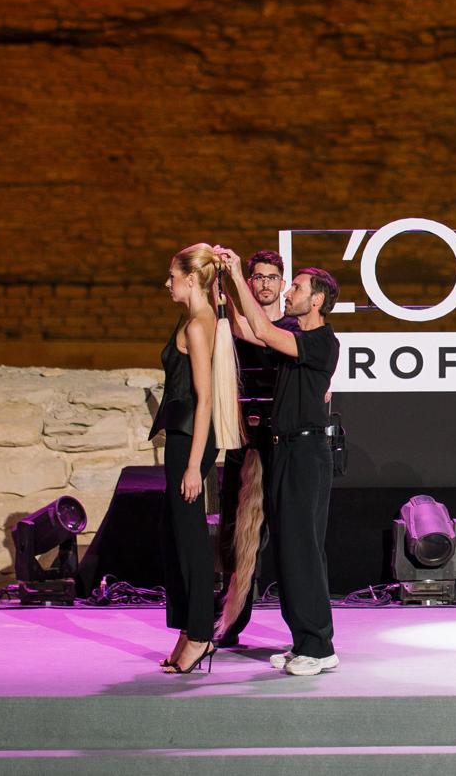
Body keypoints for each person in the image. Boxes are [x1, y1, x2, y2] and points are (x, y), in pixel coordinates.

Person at [216, 246, 342, 676]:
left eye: (296, 288)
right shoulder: (295, 340)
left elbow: (262, 330)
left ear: (317, 300)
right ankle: (304, 642)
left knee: (302, 550)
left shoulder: (321, 342)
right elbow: (248, 329)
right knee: (289, 551)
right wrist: (225, 284)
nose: (287, 293)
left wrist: (238, 273)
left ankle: (318, 647)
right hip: (285, 449)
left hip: (306, 453)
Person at [150, 243, 242, 674]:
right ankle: (189, 629)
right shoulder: (196, 318)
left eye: (172, 276)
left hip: (190, 439)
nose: (166, 283)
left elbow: (205, 399)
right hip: (185, 436)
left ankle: (201, 634)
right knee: (174, 535)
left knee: (188, 539)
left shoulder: (198, 326)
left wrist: (192, 466)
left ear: (191, 278)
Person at [215, 250, 299, 647]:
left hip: (280, 443)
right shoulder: (237, 326)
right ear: (251, 282)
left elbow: (257, 332)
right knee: (235, 534)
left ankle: (302, 631)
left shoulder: (291, 328)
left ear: (282, 283)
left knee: (281, 536)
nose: (265, 283)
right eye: (258, 277)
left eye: (272, 277)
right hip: (243, 439)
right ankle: (230, 622)